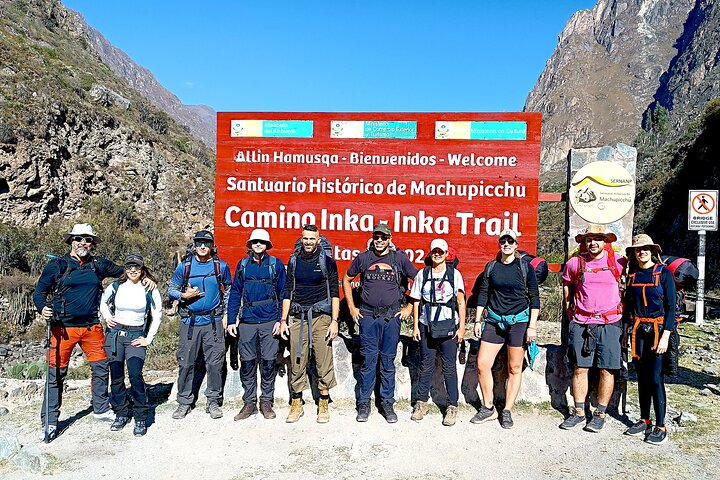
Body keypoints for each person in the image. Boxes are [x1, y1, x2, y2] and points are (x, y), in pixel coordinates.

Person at [33, 224, 152, 441]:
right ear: (71, 241)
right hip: (62, 329)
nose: (83, 243)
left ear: (92, 243)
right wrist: (42, 308)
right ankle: (50, 420)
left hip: (91, 327)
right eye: (79, 239)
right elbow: (39, 293)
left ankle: (100, 408)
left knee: (100, 368)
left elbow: (127, 272)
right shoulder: (56, 265)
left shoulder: (99, 265)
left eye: (87, 240)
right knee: (56, 375)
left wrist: (146, 278)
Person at [342, 223, 418, 423]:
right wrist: (351, 307)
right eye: (376, 236)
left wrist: (409, 308)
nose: (380, 240)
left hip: (391, 317)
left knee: (387, 362)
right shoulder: (363, 258)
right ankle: (364, 404)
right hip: (367, 316)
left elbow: (419, 281)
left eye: (383, 237)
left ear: (390, 239)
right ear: (372, 238)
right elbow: (346, 279)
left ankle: (387, 403)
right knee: (368, 362)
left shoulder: (399, 259)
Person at [472, 229, 539, 429]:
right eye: (503, 240)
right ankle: (488, 407)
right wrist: (477, 320)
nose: (507, 244)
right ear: (499, 244)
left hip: (518, 321)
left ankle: (507, 410)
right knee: (483, 364)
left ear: (516, 245)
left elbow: (534, 297)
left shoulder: (525, 268)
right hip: (493, 320)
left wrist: (532, 327)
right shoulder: (491, 267)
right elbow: (483, 293)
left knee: (514, 367)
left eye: (511, 241)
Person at [560, 224, 625, 432]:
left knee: (607, 369)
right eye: (589, 239)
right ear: (584, 242)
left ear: (605, 242)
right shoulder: (575, 263)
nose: (593, 243)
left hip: (610, 322)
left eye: (598, 238)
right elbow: (567, 285)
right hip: (581, 322)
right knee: (580, 368)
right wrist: (570, 312)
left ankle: (600, 413)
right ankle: (579, 412)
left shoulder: (618, 262)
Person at [279, 224, 340, 423]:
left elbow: (335, 294)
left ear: (318, 240)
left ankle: (323, 400)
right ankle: (296, 402)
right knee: (298, 361)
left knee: (323, 360)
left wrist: (334, 321)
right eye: (305, 238)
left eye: (312, 239)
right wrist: (283, 320)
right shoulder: (294, 261)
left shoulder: (328, 262)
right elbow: (287, 291)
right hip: (297, 317)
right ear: (301, 239)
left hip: (321, 317)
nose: (308, 242)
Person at [168, 230, 232, 420]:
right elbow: (172, 289)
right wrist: (183, 296)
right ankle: (184, 402)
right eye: (199, 243)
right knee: (186, 363)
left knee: (215, 363)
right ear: (194, 245)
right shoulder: (185, 266)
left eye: (206, 243)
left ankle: (213, 401)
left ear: (212, 245)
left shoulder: (221, 266)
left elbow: (229, 289)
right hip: (190, 322)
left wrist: (227, 313)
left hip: (213, 322)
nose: (203, 246)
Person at [226, 229, 286, 420]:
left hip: (270, 321)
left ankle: (266, 402)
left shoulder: (275, 264)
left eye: (262, 242)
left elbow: (283, 293)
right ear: (250, 245)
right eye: (255, 242)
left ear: (267, 245)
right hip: (247, 322)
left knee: (268, 363)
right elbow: (235, 293)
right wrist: (231, 320)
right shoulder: (243, 265)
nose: (258, 244)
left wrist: (280, 320)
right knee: (248, 363)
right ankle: (249, 402)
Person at [99, 253, 162, 437]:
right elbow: (103, 301)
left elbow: (157, 315)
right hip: (115, 335)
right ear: (125, 269)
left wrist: (148, 339)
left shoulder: (150, 289)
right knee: (116, 376)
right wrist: (107, 317)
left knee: (135, 375)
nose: (132, 270)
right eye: (129, 267)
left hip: (136, 335)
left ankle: (141, 416)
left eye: (136, 267)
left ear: (142, 269)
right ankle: (121, 413)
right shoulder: (116, 286)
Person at [624, 234, 676, 445]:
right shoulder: (633, 275)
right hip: (639, 332)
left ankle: (661, 424)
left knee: (655, 378)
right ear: (633, 253)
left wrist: (666, 336)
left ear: (653, 251)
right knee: (642, 378)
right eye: (638, 249)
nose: (642, 251)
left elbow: (672, 307)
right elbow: (628, 307)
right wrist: (625, 334)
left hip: (658, 331)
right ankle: (645, 418)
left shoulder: (664, 274)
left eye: (645, 248)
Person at [409, 239, 466, 426]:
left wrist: (462, 328)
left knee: (449, 367)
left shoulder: (454, 274)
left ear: (446, 253)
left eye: (440, 251)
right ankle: (421, 403)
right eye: (434, 251)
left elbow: (460, 302)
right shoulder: (422, 274)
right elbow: (416, 300)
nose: (437, 254)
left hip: (448, 326)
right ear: (430, 252)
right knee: (426, 365)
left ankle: (452, 406)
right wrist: (416, 325)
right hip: (427, 325)